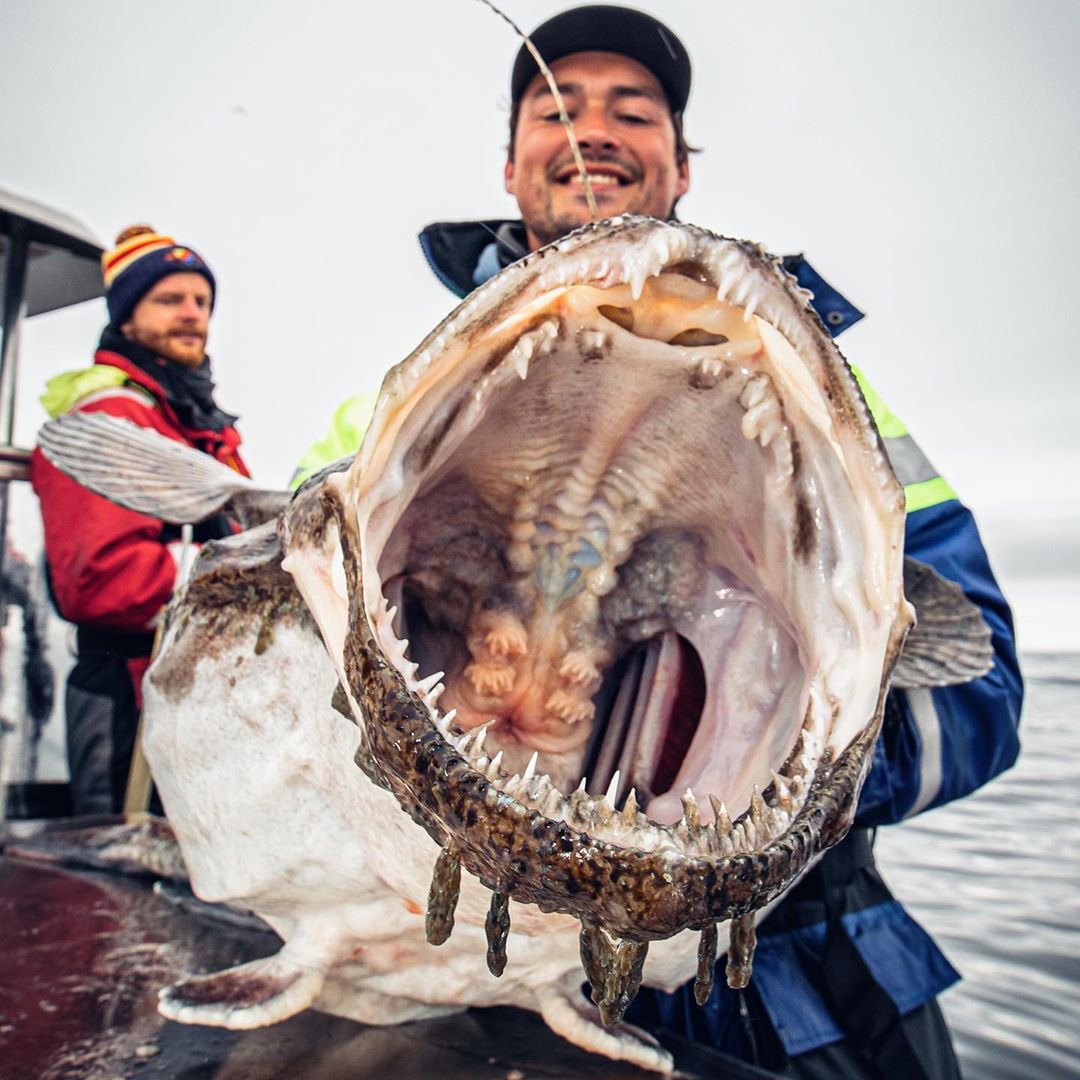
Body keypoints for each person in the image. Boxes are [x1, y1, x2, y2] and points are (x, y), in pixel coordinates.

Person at [297, 7, 1023, 1076]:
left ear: (680, 169)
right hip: (473, 988)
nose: (592, 130)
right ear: (509, 168)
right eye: (557, 108)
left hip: (811, 989)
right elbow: (285, 655)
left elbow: (985, 691)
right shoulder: (378, 419)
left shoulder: (841, 413)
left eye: (632, 113)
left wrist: (764, 771)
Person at [30, 225, 249, 817]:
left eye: (201, 302)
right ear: (126, 318)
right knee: (118, 888)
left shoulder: (201, 428)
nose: (191, 315)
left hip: (195, 700)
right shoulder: (110, 421)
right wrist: (236, 571)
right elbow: (97, 581)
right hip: (129, 701)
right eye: (169, 299)